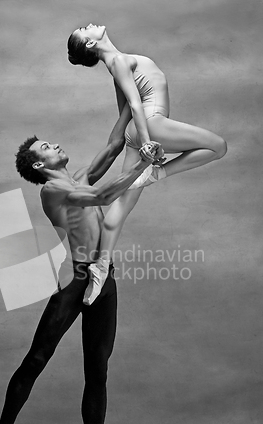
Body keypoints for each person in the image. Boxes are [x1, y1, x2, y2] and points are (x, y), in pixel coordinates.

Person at [0, 107, 163, 424]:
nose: (55, 143)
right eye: (46, 146)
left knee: (98, 371)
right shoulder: (53, 190)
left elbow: (113, 145)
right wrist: (144, 166)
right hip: (74, 281)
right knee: (36, 360)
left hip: (103, 278)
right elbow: (100, 195)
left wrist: (129, 104)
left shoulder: (75, 178)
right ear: (39, 164)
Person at [67, 24, 227, 304]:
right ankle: (158, 173)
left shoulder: (116, 64)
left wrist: (124, 143)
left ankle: (100, 268)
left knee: (122, 205)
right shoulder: (117, 61)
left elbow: (125, 113)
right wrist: (146, 143)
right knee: (218, 146)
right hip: (151, 126)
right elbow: (136, 104)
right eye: (84, 30)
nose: (89, 25)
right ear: (91, 44)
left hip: (140, 131)